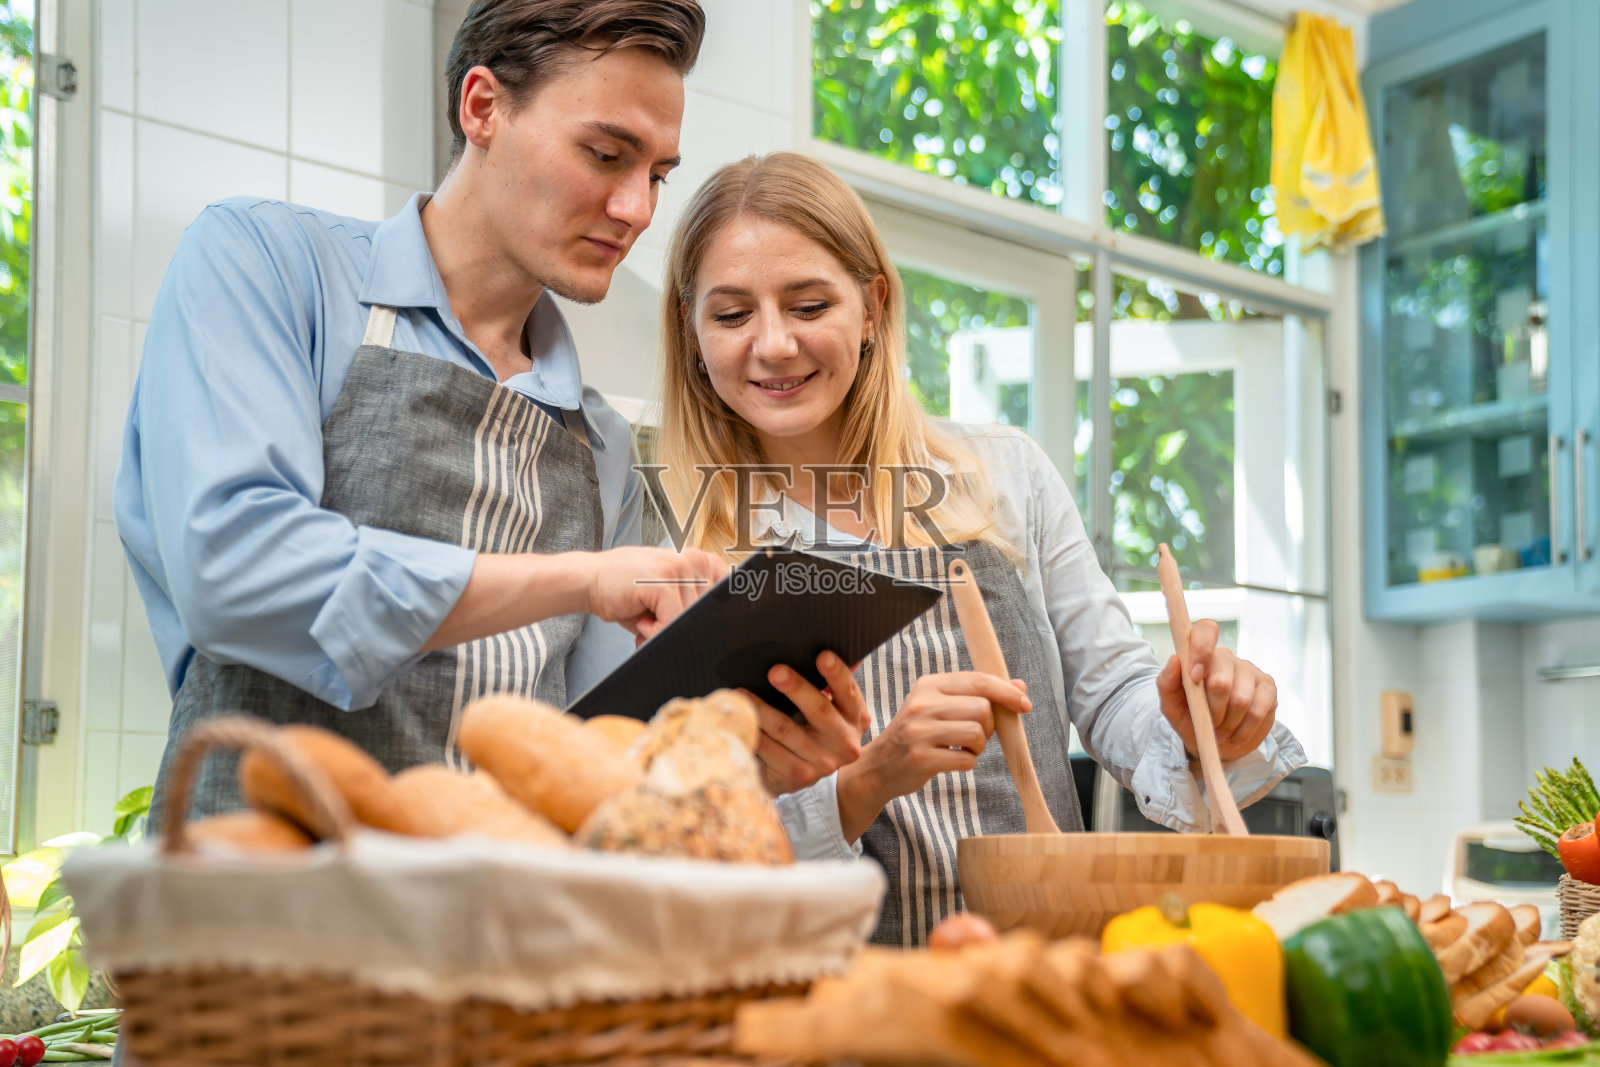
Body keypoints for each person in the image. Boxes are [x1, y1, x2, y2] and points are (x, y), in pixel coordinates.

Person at [652, 152, 1307, 945]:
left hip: (1047, 967)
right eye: (731, 315)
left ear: (871, 307)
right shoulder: (678, 546)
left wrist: (1194, 725)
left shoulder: (1002, 474)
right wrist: (867, 778)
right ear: (691, 335)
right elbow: (694, 833)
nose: (775, 344)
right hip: (836, 990)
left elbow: (1111, 691)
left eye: (809, 302)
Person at [116, 0, 725, 822]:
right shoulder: (267, 266)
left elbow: (598, 746)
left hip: (494, 932)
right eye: (606, 154)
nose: (637, 210)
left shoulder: (599, 443)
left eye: (656, 174)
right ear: (482, 107)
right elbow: (234, 569)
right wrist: (577, 579)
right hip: (251, 905)